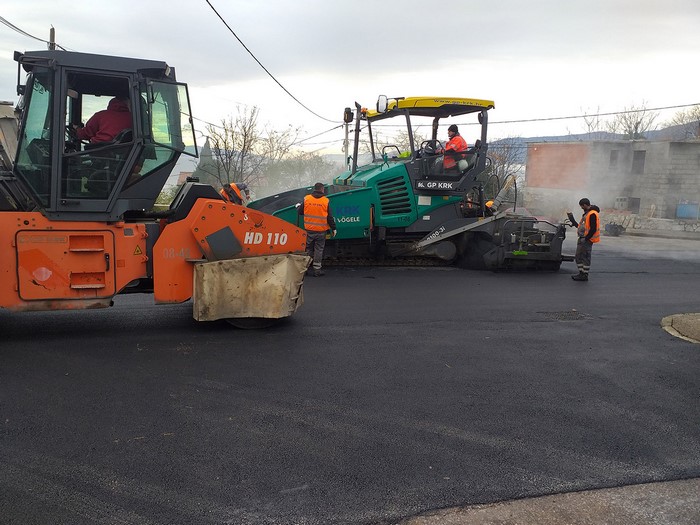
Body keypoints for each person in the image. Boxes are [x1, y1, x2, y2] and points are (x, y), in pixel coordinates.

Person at [298, 182, 336, 277]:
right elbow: (329, 217)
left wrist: (298, 206)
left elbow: (300, 212)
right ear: (322, 189)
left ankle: (305, 269)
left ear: (314, 189)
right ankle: (317, 270)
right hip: (321, 231)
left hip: (309, 230)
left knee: (308, 249)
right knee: (319, 249)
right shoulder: (325, 201)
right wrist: (334, 228)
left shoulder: (307, 199)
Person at [567, 198, 600, 281]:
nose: (581, 208)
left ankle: (584, 274)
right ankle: (581, 273)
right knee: (579, 256)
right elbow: (581, 226)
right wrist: (572, 220)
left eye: (582, 206)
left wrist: (586, 238)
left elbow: (593, 228)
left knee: (585, 257)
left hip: (586, 239)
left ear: (585, 205)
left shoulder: (592, 214)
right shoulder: (587, 213)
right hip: (582, 238)